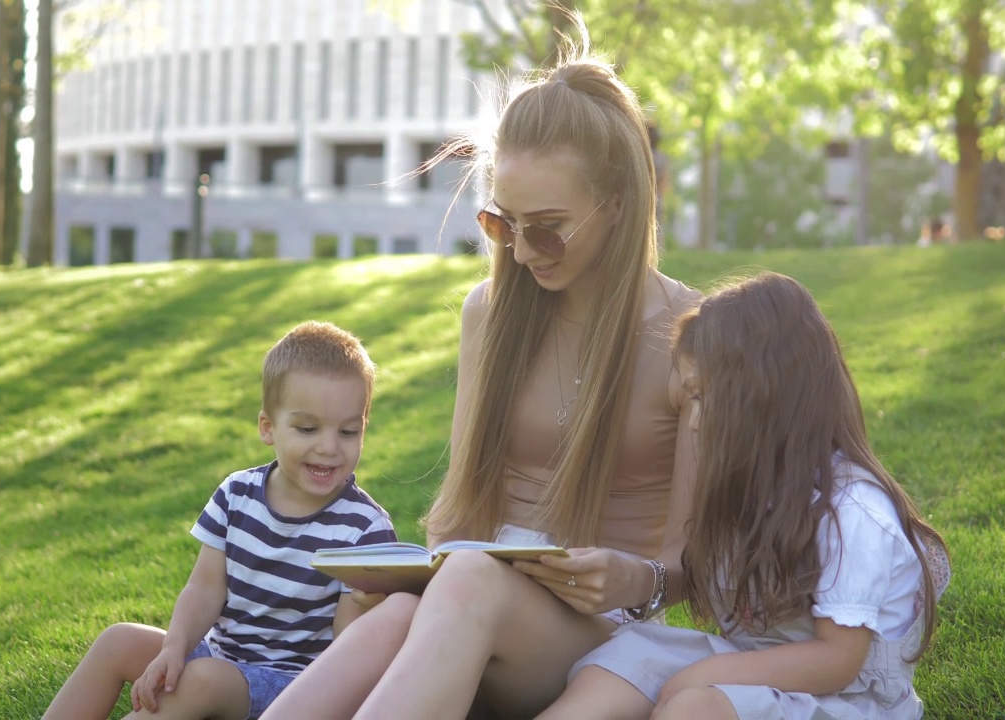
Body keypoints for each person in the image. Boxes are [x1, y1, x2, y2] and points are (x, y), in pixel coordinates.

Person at [263, 22, 703, 720]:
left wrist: (634, 577)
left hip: (609, 638)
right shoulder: (490, 312)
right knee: (393, 618)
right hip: (476, 601)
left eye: (549, 226)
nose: (524, 252)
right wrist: (413, 575)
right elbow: (464, 506)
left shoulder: (691, 338)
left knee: (465, 581)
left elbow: (695, 566)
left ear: (616, 205)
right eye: (504, 224)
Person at [541, 272, 951, 719]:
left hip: (843, 701)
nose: (693, 422)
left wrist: (704, 676)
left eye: (702, 397)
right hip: (754, 670)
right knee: (626, 661)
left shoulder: (852, 514)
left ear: (762, 394)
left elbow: (836, 661)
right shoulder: (753, 491)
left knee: (693, 708)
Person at [42, 321, 398, 720]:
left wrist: (367, 603)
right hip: (219, 653)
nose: (329, 447)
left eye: (348, 431)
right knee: (119, 640)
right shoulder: (237, 494)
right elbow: (204, 588)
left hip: (293, 685)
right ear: (268, 427)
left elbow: (350, 654)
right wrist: (174, 649)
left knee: (205, 680)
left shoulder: (364, 527)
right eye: (308, 428)